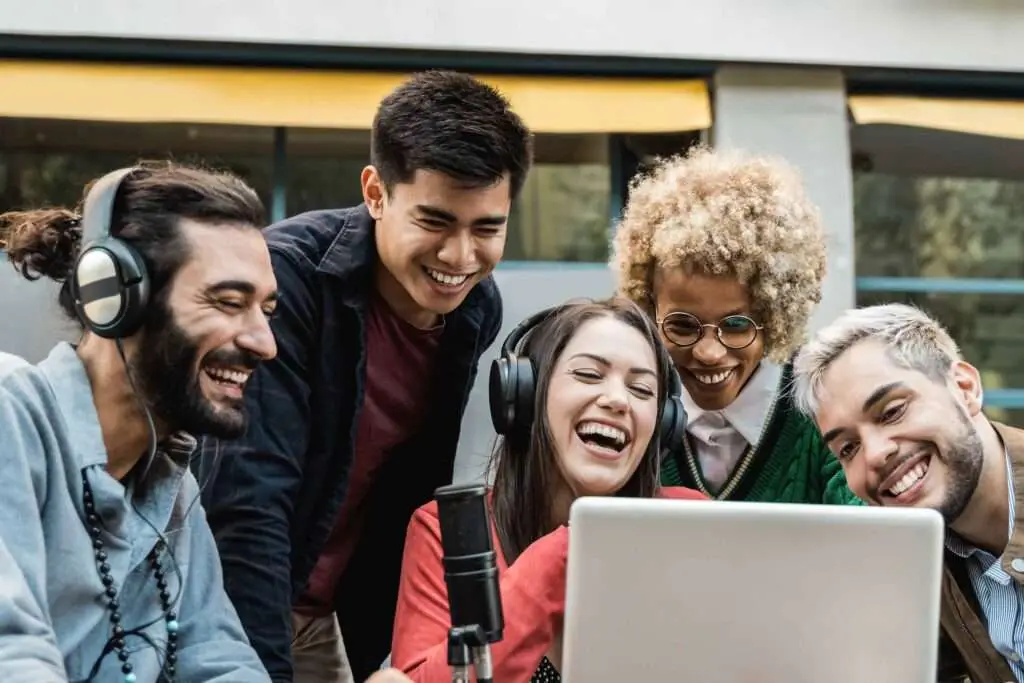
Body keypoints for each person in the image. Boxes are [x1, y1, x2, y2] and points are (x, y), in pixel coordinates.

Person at [196, 69, 533, 682]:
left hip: (329, 616)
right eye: (434, 222)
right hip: (222, 603)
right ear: (376, 193)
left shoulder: (476, 309)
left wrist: (399, 657)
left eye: (487, 227)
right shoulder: (284, 281)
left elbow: (408, 495)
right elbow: (249, 499)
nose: (460, 258)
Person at [0, 162, 277, 682]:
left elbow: (219, 660)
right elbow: (9, 653)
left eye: (266, 309)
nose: (265, 343)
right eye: (229, 302)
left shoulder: (171, 483)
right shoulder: (9, 410)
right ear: (117, 300)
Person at [390, 298, 706, 682]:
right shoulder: (452, 532)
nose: (618, 400)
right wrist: (564, 553)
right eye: (589, 375)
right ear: (526, 396)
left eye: (641, 390)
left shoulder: (688, 523)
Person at [612, 146, 860, 505]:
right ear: (650, 309)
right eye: (682, 326)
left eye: (736, 326)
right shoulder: (626, 407)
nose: (709, 353)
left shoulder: (824, 410)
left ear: (776, 317)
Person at [792, 302, 1024, 683]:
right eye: (847, 448)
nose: (876, 454)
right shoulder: (916, 563)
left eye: (892, 411)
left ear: (965, 389)